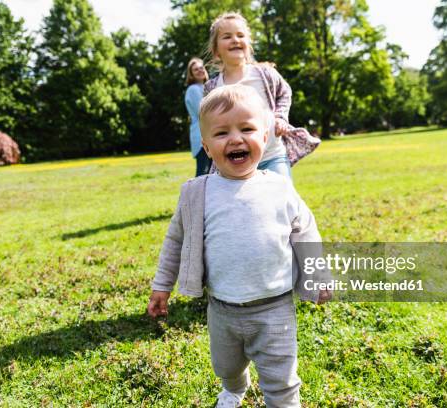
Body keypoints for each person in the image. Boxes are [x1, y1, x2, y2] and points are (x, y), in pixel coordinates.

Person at [147, 85, 330, 408]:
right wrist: (162, 285)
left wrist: (318, 277)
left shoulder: (279, 188)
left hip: (274, 307)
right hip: (222, 309)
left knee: (281, 379)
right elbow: (175, 240)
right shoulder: (197, 193)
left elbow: (306, 233)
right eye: (221, 133)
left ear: (264, 138)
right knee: (227, 367)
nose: (235, 139)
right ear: (206, 146)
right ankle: (233, 389)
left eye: (246, 129)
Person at [203, 11, 320, 179]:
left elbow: (284, 92)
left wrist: (280, 117)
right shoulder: (212, 87)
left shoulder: (264, 74)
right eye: (227, 37)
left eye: (240, 35)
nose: (235, 40)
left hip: (272, 155)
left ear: (248, 44)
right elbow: (208, 120)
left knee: (281, 196)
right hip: (234, 161)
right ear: (216, 50)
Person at [185, 57, 211, 176]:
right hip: (201, 136)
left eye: (202, 67)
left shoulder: (207, 87)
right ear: (191, 75)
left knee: (211, 172)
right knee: (203, 172)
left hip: (209, 134)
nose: (200, 70)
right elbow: (203, 112)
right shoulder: (193, 89)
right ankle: (196, 195)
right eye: (196, 70)